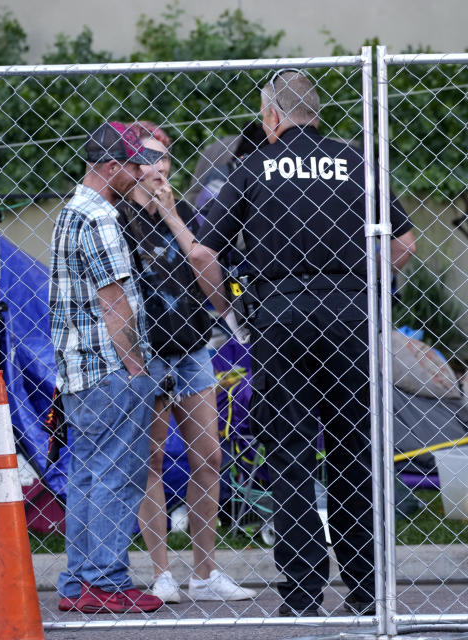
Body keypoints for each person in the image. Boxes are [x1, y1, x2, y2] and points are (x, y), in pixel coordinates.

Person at [191, 69, 416, 616]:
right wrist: (371, 285)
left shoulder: (251, 167)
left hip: (280, 317)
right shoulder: (358, 162)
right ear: (316, 113)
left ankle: (302, 594)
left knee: (290, 453)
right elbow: (405, 238)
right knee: (352, 452)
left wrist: (229, 308)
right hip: (350, 314)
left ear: (270, 116)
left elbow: (202, 254)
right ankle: (365, 593)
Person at [126, 122, 257, 603]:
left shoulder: (183, 214)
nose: (160, 168)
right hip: (149, 351)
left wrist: (173, 215)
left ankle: (205, 572)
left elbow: (204, 268)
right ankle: (162, 572)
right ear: (130, 165)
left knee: (209, 458)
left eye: (165, 159)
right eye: (149, 159)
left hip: (193, 347)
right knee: (153, 460)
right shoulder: (119, 218)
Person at [49, 120, 165, 614]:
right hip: (110, 367)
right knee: (119, 475)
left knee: (88, 476)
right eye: (135, 164)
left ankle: (79, 581)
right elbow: (115, 300)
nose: (142, 171)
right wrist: (137, 367)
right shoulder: (100, 217)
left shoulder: (72, 211)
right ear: (112, 166)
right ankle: (106, 581)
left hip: (79, 369)